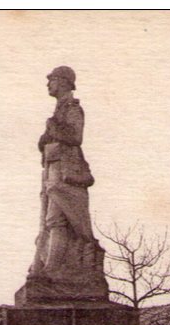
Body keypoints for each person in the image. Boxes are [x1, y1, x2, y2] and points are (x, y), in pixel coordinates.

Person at [27, 66, 106, 292]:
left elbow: (75, 137)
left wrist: (52, 129)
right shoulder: (59, 109)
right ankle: (50, 266)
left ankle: (52, 268)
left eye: (51, 80)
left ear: (63, 82)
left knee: (57, 220)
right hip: (53, 170)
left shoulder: (72, 108)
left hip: (66, 172)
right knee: (53, 221)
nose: (48, 84)